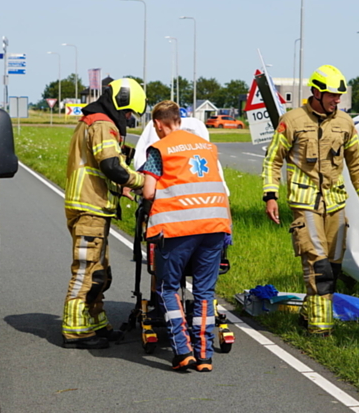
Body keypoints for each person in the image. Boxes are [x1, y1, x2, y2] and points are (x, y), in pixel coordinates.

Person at [262, 64, 359, 336]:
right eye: (332, 95)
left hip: (336, 203)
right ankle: (320, 331)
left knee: (333, 269)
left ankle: (307, 313)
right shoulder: (292, 120)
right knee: (318, 266)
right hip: (305, 202)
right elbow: (273, 160)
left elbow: (357, 163)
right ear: (316, 92)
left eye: (339, 96)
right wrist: (270, 195)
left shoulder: (345, 123)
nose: (337, 100)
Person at [141, 100, 232, 372]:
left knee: (168, 289)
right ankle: (204, 356)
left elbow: (148, 192)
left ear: (158, 124)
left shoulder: (159, 149)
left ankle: (183, 351)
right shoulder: (207, 147)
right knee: (205, 292)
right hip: (215, 226)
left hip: (179, 228)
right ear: (179, 119)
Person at [62, 78, 146, 349]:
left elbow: (105, 163)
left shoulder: (95, 121)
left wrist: (119, 187)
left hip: (94, 205)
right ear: (121, 104)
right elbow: (111, 165)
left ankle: (96, 323)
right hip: (89, 206)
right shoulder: (102, 124)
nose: (129, 118)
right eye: (129, 112)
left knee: (100, 272)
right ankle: (75, 331)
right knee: (86, 271)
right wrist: (141, 182)